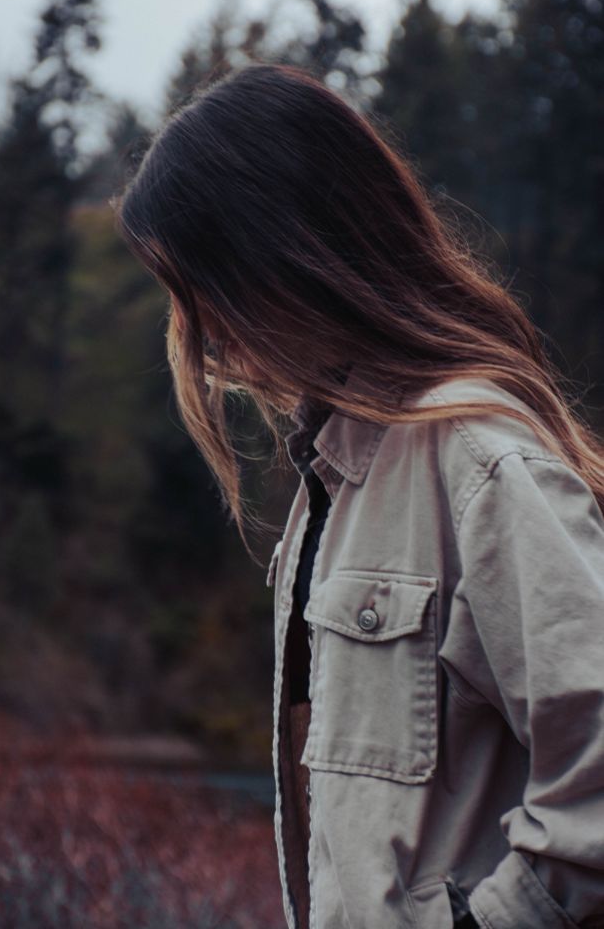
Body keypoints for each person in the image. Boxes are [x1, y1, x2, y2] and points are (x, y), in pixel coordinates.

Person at [112, 62, 604, 929]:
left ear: (290, 255)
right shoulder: (331, 483)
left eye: (210, 288)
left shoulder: (479, 464)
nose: (206, 331)